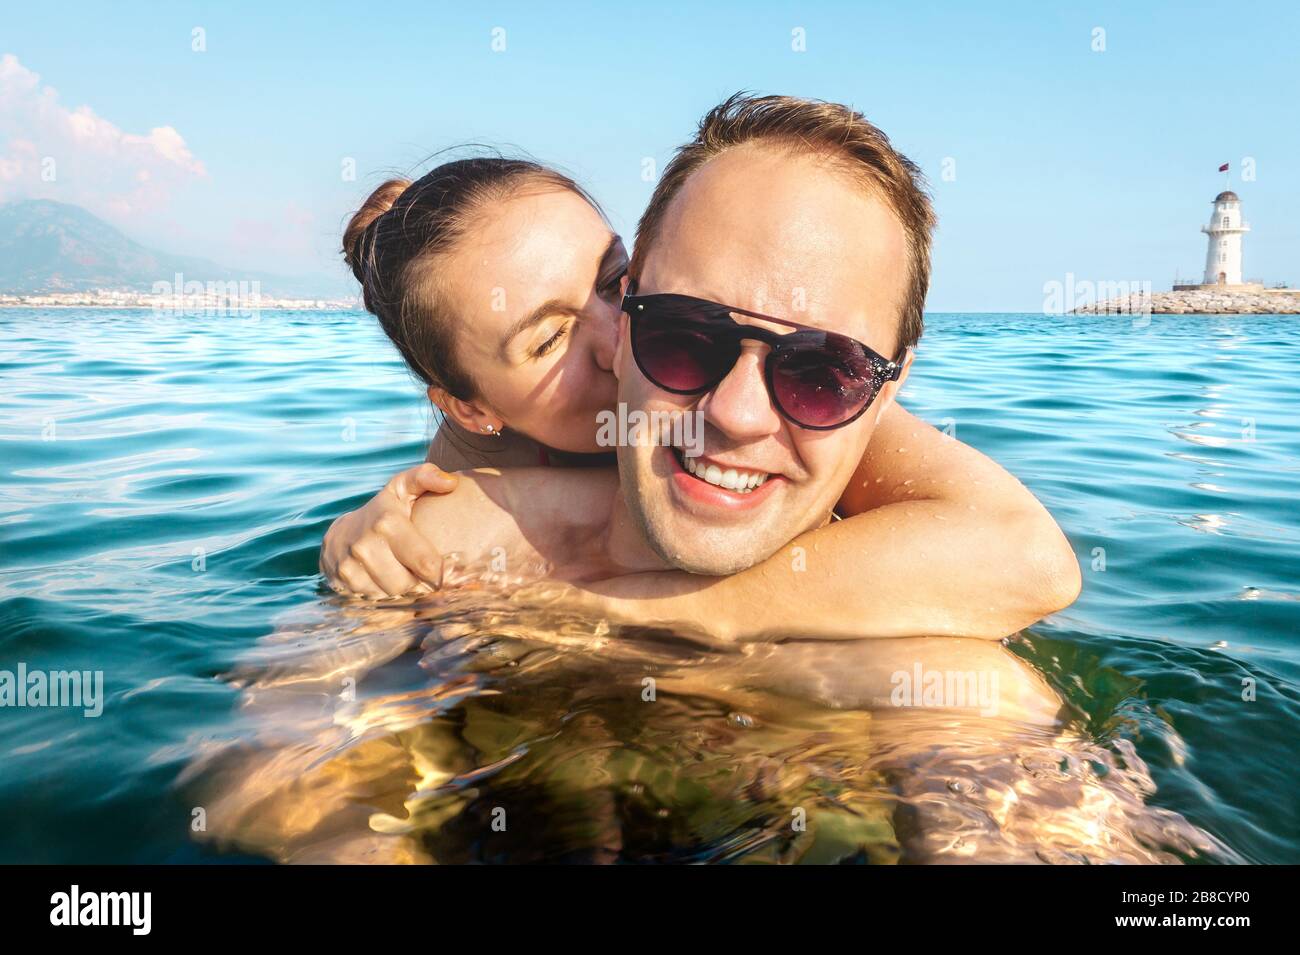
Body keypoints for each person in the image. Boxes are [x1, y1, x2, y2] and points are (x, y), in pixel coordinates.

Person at [324, 94, 1081, 642]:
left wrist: (660, 610)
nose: (615, 332)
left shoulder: (764, 376)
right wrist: (357, 539)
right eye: (546, 340)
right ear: (470, 407)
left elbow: (1029, 559)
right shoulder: (462, 494)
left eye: (616, 285)